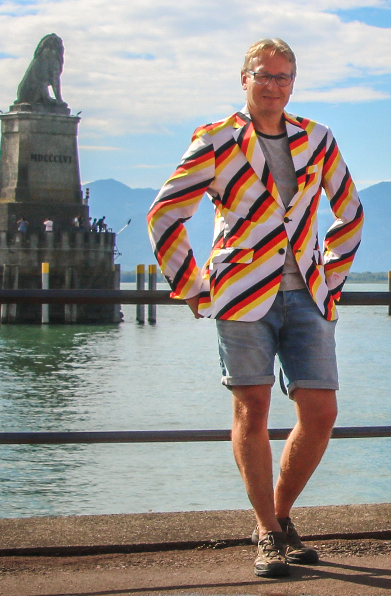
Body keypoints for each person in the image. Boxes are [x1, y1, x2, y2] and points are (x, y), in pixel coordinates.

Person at [146, 37, 362, 579]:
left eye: (284, 77)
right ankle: (266, 533)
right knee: (254, 409)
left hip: (307, 293)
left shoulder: (317, 139)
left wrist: (329, 275)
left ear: (294, 83)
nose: (275, 86)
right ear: (244, 79)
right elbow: (164, 215)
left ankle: (281, 515)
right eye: (265, 76)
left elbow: (352, 211)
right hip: (241, 293)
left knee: (321, 412)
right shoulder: (217, 140)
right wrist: (192, 285)